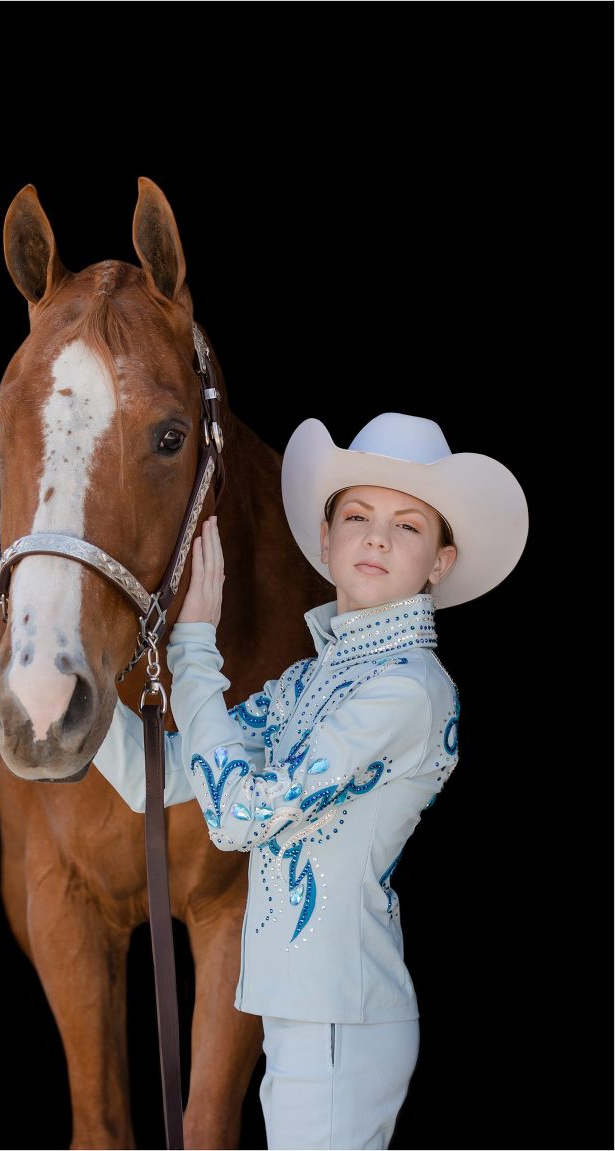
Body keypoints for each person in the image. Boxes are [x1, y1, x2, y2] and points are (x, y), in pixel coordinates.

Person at [93, 411, 529, 1150]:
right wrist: (75, 691)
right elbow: (157, 775)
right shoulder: (310, 681)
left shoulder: (407, 689)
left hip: (343, 1023)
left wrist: (196, 641)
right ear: (325, 540)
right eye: (357, 514)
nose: (377, 537)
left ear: (441, 560)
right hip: (305, 1016)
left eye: (408, 524)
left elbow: (235, 818)